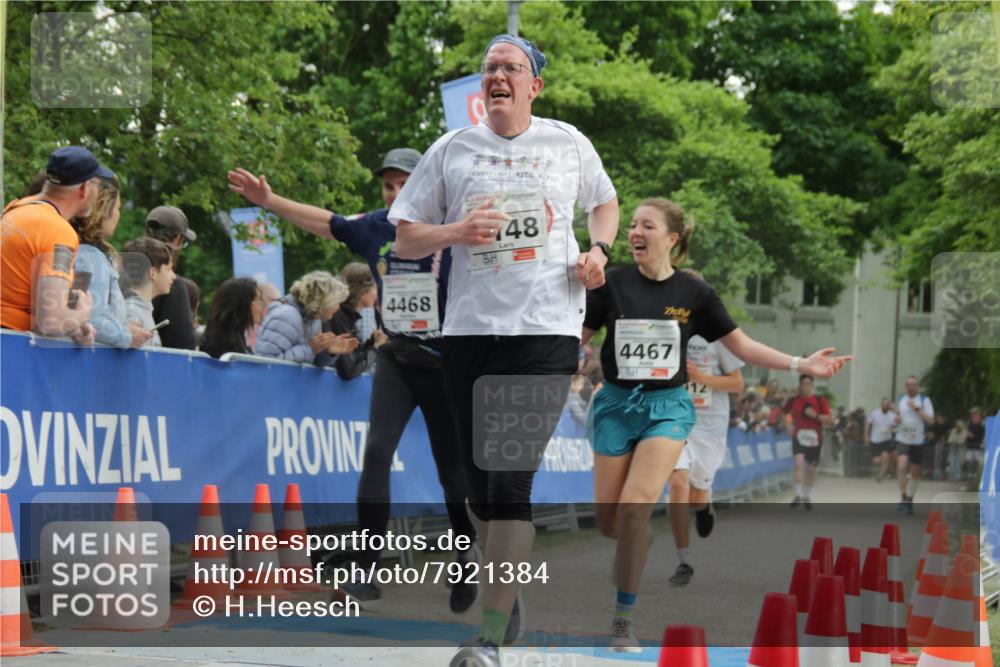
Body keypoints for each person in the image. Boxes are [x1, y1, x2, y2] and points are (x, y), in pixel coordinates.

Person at [389, 34, 620, 665]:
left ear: (533, 86)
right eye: (490, 68)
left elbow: (604, 203)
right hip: (467, 333)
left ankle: (488, 640)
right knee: (475, 485)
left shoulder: (568, 143)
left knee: (511, 481)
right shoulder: (453, 150)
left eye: (510, 68)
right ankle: (504, 585)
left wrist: (597, 253)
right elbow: (407, 239)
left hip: (545, 331)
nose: (497, 76)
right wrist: (456, 231)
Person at [582, 197, 850, 651]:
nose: (634, 233)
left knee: (634, 508)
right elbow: (578, 338)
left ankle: (623, 620)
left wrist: (802, 362)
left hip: (668, 408)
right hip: (614, 405)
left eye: (647, 225)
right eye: (631, 225)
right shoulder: (611, 282)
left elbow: (742, 347)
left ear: (671, 238)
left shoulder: (694, 294)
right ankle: (633, 540)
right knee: (611, 521)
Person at [229, 148, 482, 612]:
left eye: (404, 184)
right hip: (399, 360)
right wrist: (269, 200)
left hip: (445, 364)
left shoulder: (454, 229)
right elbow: (327, 222)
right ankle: (366, 565)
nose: (395, 194)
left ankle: (466, 557)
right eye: (388, 186)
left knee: (451, 472)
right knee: (377, 453)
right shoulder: (378, 227)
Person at [666, 269, 745, 588]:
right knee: (677, 483)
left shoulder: (719, 333)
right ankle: (684, 561)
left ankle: (704, 507)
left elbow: (737, 384)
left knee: (697, 493)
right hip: (673, 418)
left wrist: (701, 377)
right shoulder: (664, 329)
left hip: (709, 425)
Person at [1, 146, 105, 345]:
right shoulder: (58, 232)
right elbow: (51, 321)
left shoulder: (18, 208)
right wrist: (82, 315)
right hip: (9, 347)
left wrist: (73, 326)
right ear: (84, 189)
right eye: (97, 184)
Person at [70, 173, 154, 349]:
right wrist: (127, 336)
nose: (118, 215)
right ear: (103, 210)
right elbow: (92, 320)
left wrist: (123, 329)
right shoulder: (89, 256)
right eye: (117, 207)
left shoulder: (86, 252)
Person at [253, 270, 358, 364]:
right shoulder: (287, 316)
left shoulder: (313, 319)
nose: (338, 307)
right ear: (324, 301)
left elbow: (312, 362)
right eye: (336, 302)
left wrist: (329, 351)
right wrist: (310, 349)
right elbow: (267, 362)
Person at [146, 205, 197, 350]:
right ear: (177, 239)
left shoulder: (122, 271)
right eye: (184, 243)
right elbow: (183, 345)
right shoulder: (174, 285)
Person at [326, 262, 389, 379]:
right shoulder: (338, 316)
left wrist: (372, 341)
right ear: (362, 292)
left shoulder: (346, 316)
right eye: (375, 287)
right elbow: (350, 370)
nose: (378, 293)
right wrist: (376, 346)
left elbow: (355, 359)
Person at [784, 375, 833, 509]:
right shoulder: (794, 400)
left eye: (808, 383)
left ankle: (806, 494)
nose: (805, 386)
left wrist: (816, 415)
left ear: (812, 385)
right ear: (800, 385)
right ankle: (798, 494)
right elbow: (785, 413)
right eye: (803, 383)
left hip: (815, 438)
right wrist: (789, 425)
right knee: (798, 463)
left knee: (811, 469)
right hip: (799, 435)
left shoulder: (819, 400)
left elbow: (829, 419)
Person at [120, 236, 176, 348]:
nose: (173, 276)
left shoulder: (140, 309)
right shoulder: (132, 312)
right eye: (169, 269)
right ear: (153, 273)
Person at [894, 375, 935, 515]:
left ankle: (910, 499)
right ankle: (903, 496)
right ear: (905, 387)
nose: (911, 387)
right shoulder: (901, 399)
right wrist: (897, 419)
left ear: (918, 387)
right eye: (909, 385)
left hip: (917, 440)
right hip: (902, 438)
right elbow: (898, 416)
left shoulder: (924, 400)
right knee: (901, 466)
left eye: (914, 384)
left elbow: (930, 421)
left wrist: (917, 409)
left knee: (914, 473)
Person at [199, 277, 260, 359]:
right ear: (243, 305)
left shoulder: (232, 337)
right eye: (258, 300)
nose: (260, 307)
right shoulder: (222, 345)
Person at [865, 398, 896, 482]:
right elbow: (868, 424)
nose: (887, 406)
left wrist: (892, 428)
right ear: (881, 405)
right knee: (877, 460)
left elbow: (896, 425)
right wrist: (866, 436)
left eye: (888, 405)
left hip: (886, 439)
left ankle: (881, 475)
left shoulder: (892, 415)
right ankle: (886, 468)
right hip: (875, 439)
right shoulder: (874, 413)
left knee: (886, 457)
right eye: (885, 405)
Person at [964, 407, 985, 484]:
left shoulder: (981, 426)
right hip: (969, 446)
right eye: (974, 414)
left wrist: (972, 436)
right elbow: (965, 435)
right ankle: (969, 475)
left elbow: (980, 437)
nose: (976, 416)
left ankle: (975, 475)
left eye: (977, 414)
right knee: (969, 461)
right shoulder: (968, 424)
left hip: (977, 447)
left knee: (976, 461)